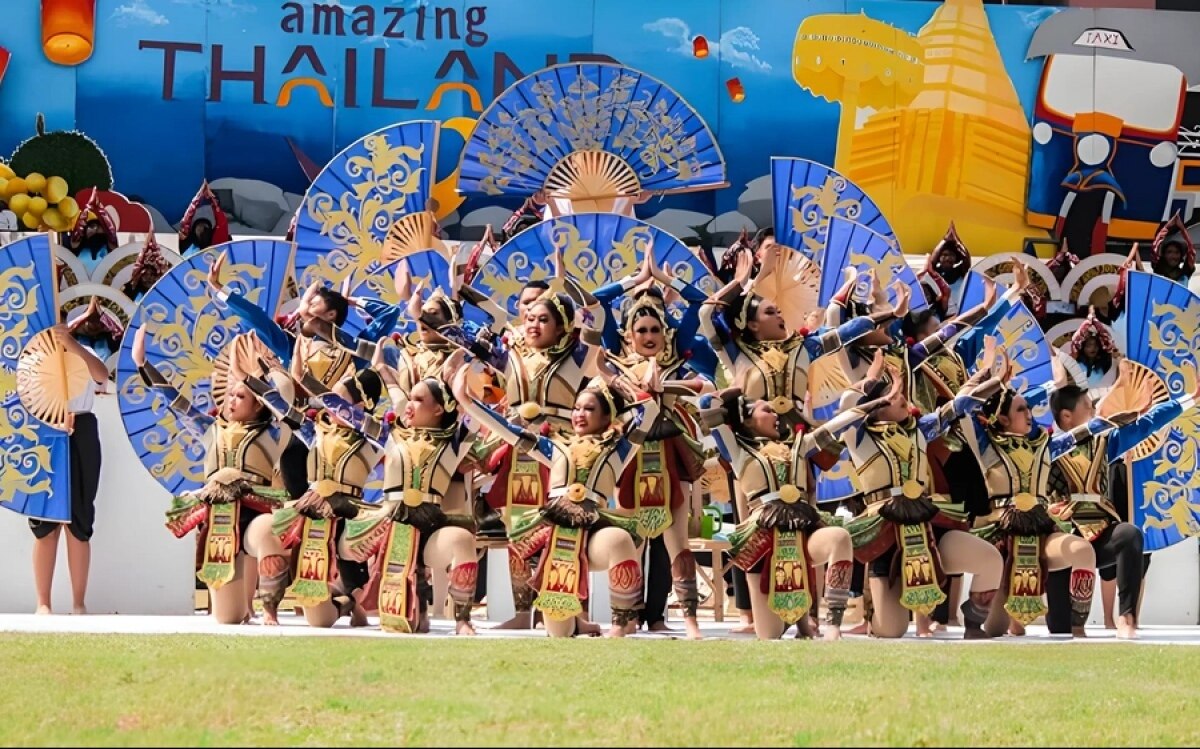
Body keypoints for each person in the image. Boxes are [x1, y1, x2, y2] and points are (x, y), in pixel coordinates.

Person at [1045, 370, 1199, 639]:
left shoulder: (1105, 442)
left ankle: (1127, 616)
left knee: (1129, 534)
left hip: (1099, 532)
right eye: (1088, 406)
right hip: (1062, 540)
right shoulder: (1046, 448)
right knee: (1061, 629)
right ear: (1066, 416)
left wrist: (1189, 400)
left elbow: (1146, 424)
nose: (1095, 410)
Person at [29, 323, 109, 615]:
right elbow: (26, 396)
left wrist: (71, 344)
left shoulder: (83, 350)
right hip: (47, 431)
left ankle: (78, 603)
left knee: (79, 520)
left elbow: (102, 376)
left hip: (82, 429)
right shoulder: (35, 357)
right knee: (44, 521)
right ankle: (43, 603)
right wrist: (51, 419)